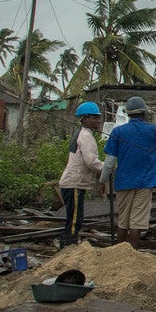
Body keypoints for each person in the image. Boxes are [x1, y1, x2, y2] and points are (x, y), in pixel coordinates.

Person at [106, 96, 156, 247]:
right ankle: (133, 254)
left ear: (128, 114)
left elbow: (109, 161)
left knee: (123, 220)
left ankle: (118, 253)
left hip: (123, 181)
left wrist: (102, 180)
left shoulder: (118, 132)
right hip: (145, 181)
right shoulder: (154, 130)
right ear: (144, 113)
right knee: (137, 220)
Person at [57, 101, 105, 243]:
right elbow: (90, 161)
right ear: (85, 119)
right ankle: (68, 246)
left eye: (98, 117)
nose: (98, 121)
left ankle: (68, 244)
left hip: (74, 183)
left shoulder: (82, 133)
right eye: (94, 118)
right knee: (74, 220)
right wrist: (107, 168)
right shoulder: (85, 136)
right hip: (75, 184)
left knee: (74, 218)